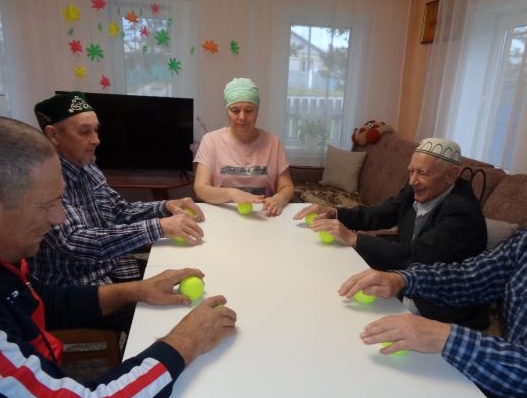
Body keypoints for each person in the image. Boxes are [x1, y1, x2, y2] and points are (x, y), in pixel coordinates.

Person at [0, 115, 237, 398]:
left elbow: (47, 302)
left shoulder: (1, 262)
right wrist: (187, 340)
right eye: (46, 205)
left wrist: (135, 290)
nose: (59, 217)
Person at [337, 136, 527, 398]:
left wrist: (449, 338)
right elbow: (472, 277)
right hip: (498, 384)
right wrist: (403, 278)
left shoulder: (462, 210)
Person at [294, 137, 489, 329]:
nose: (413, 181)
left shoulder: (462, 212)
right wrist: (335, 212)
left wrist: (353, 238)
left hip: (438, 307)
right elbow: (381, 214)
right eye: (411, 171)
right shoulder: (415, 189)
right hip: (404, 280)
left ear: (451, 175)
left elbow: (417, 255)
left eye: (422, 173)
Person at [30, 91, 206, 290]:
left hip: (112, 267)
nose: (96, 140)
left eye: (96, 130)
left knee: (189, 270)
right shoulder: (43, 179)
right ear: (53, 135)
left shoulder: (88, 167)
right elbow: (74, 242)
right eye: (85, 131)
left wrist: (165, 206)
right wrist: (158, 227)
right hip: (78, 286)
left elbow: (119, 211)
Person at [193, 77, 295, 216]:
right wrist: (232, 194)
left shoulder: (273, 142)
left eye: (249, 110)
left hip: (263, 216)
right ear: (227, 111)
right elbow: (200, 189)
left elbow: (287, 187)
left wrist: (279, 198)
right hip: (222, 215)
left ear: (257, 111)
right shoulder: (210, 141)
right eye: (235, 110)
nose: (242, 117)